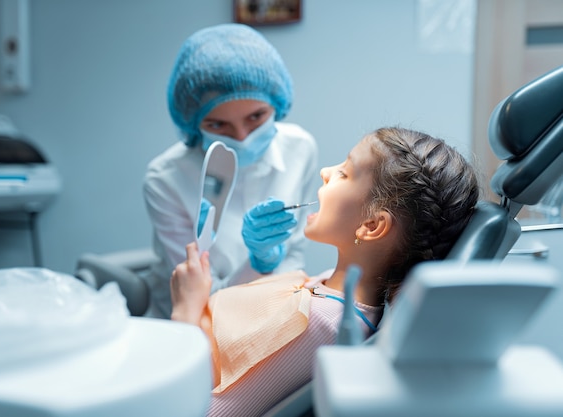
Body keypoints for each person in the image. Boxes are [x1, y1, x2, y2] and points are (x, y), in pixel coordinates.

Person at [170, 126, 480, 417]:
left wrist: (185, 311)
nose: (325, 172)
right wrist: (260, 260)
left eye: (344, 173)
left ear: (371, 226)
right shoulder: (333, 287)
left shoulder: (321, 323)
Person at [143, 23, 318, 318]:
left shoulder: (300, 149)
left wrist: (272, 265)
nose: (241, 136)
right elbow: (197, 296)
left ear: (276, 104)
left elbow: (293, 257)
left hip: (273, 314)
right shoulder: (165, 179)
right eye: (218, 125)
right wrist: (259, 263)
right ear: (193, 122)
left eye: (256, 117)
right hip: (193, 326)